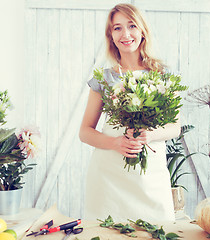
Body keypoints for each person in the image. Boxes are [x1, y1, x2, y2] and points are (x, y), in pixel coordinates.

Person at [79, 3, 181, 222]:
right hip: (108, 176)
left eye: (132, 25)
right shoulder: (103, 79)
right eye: (117, 28)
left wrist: (150, 135)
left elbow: (175, 127)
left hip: (150, 176)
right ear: (111, 36)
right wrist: (116, 143)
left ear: (142, 30)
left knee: (157, 230)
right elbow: (85, 132)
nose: (125, 34)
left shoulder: (163, 75)